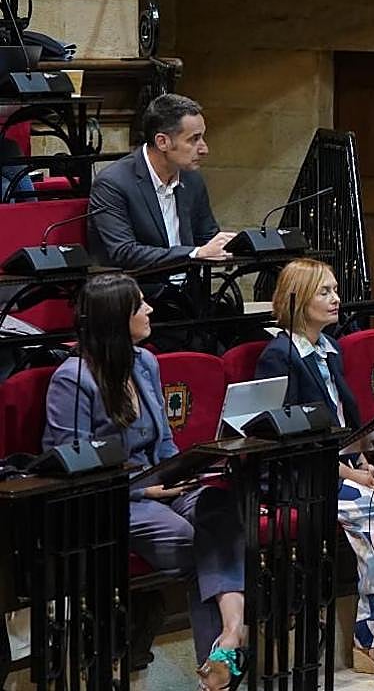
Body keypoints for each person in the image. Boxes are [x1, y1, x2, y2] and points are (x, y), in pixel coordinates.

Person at [42, 273, 248, 690]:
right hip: (114, 501)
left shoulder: (146, 362)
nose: (151, 309)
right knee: (197, 543)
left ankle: (230, 634)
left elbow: (166, 442)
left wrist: (184, 474)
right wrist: (145, 488)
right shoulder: (73, 379)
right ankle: (222, 666)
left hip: (162, 486)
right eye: (140, 305)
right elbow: (74, 465)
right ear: (117, 318)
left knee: (221, 507)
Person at [255, 259, 374, 676]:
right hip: (304, 478)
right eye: (324, 292)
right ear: (298, 298)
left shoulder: (331, 350)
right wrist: (352, 475)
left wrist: (365, 462)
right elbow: (292, 441)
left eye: (335, 290)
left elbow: (348, 426)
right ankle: (373, 640)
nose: (336, 299)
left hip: (347, 468)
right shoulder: (280, 357)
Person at [88, 94, 236, 270]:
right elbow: (124, 252)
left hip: (189, 289)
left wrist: (234, 245)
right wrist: (193, 254)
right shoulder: (112, 183)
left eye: (202, 137)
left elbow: (207, 237)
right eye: (194, 139)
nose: (204, 149)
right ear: (162, 142)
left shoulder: (192, 179)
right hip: (140, 291)